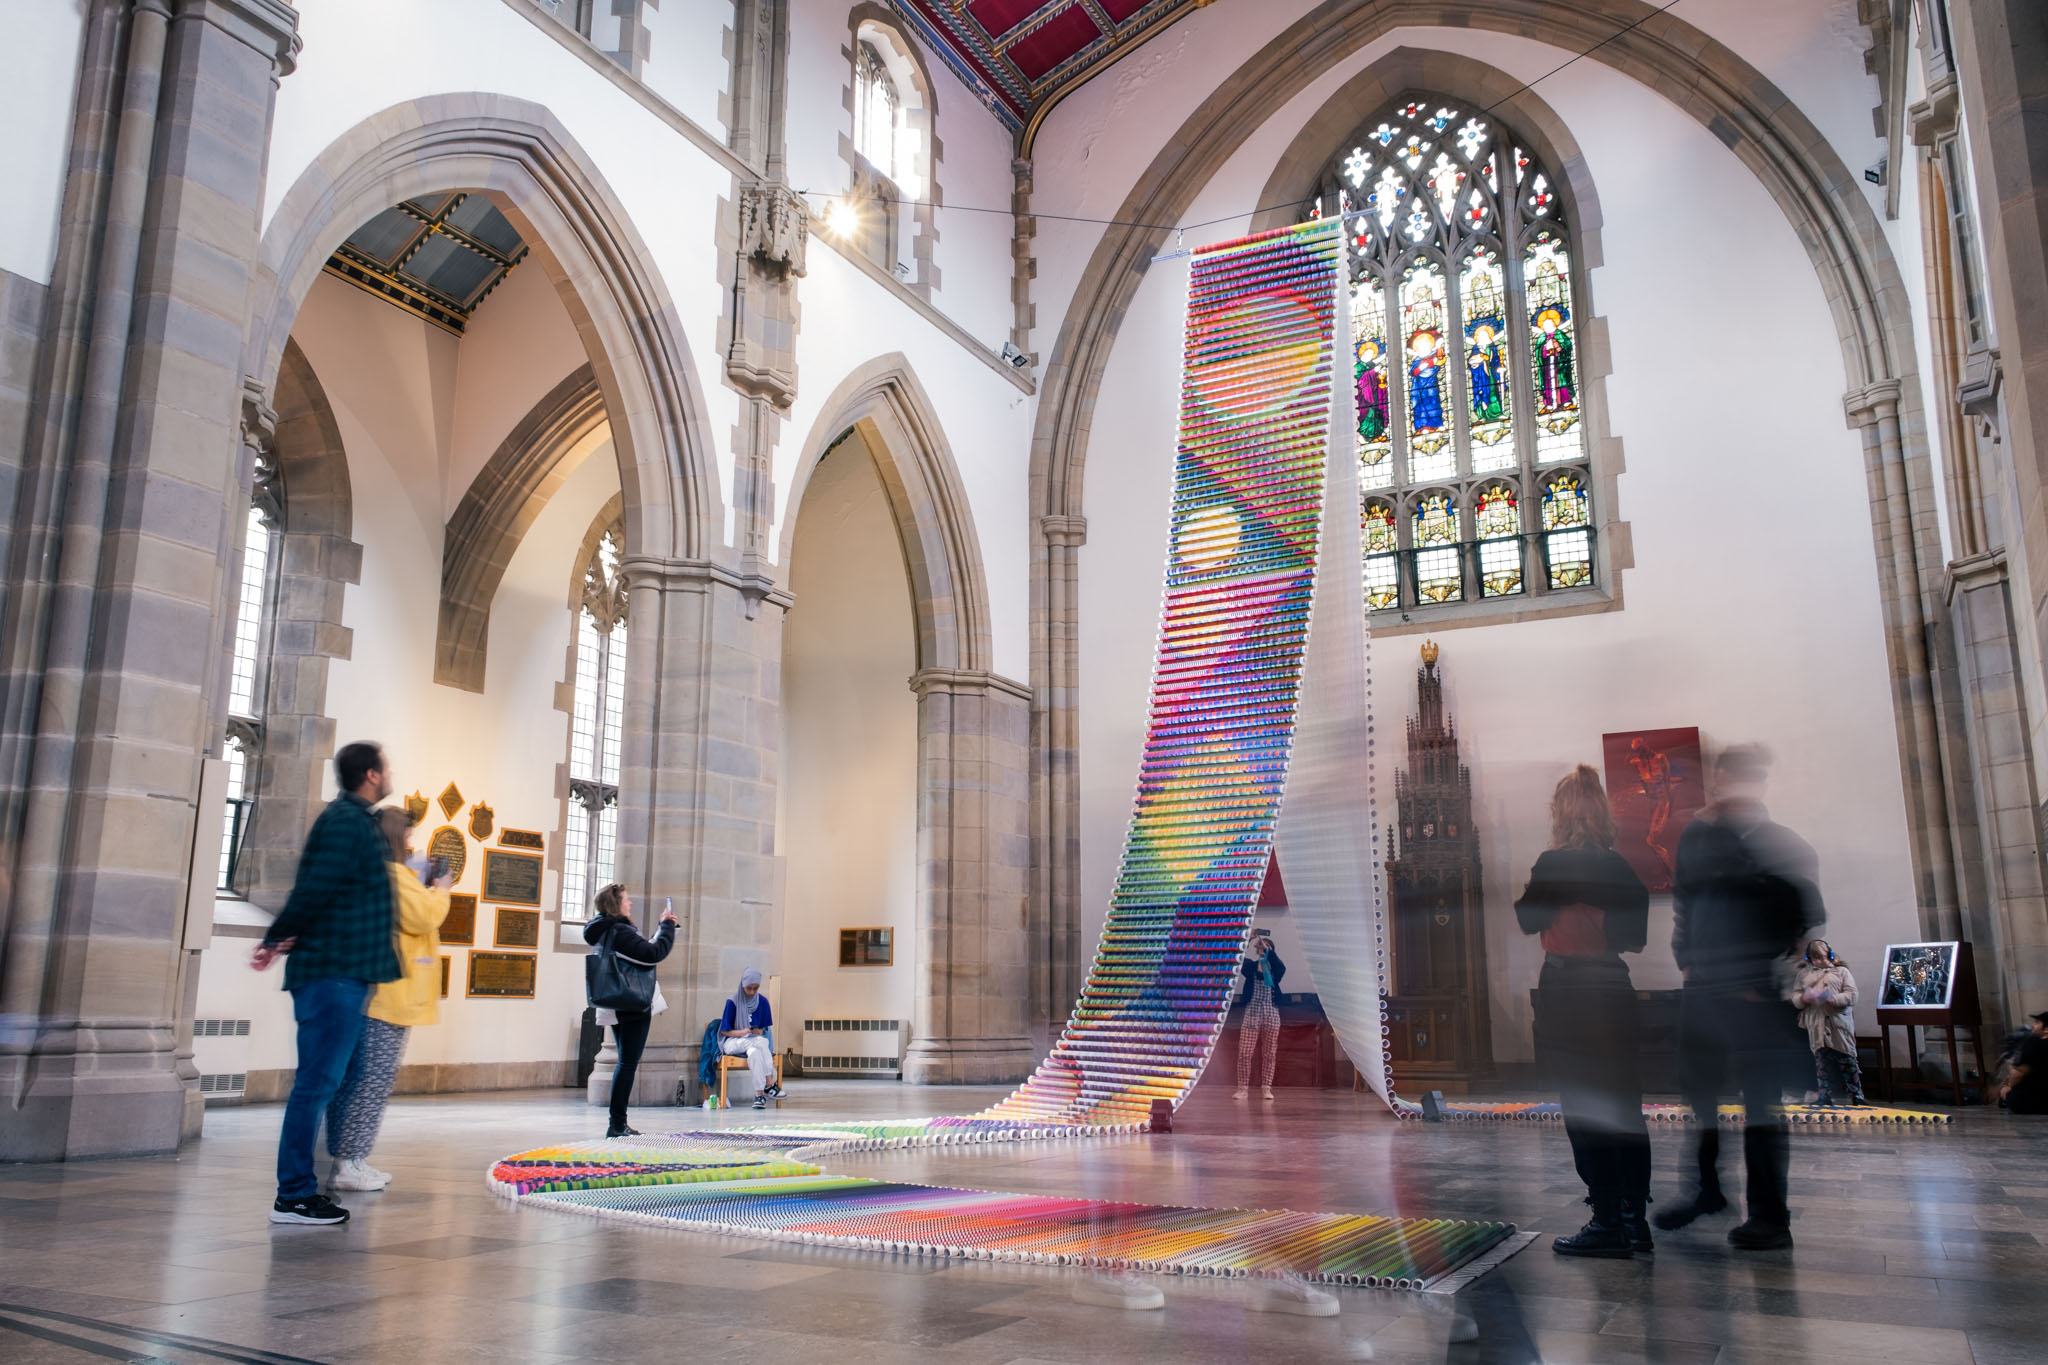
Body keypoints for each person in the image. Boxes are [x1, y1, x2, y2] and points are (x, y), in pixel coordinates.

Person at [1655, 745, 1821, 1251]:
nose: (1722, 790)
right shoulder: (1698, 838)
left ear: (1752, 783)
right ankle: (1706, 1190)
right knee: (1700, 1094)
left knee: (1762, 1106)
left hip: (1754, 995)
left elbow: (1800, 918)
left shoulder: (1780, 843)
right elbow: (1685, 902)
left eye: (1732, 780)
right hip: (1704, 987)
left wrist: (1758, 971)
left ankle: (1771, 1217)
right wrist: (1686, 960)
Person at [252, 741, 403, 1226]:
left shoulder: (358, 821)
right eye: (386, 767)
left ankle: (305, 1186)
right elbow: (315, 887)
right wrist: (276, 936)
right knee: (315, 1084)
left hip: (348, 970)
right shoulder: (344, 822)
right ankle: (293, 1194)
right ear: (372, 775)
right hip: (332, 971)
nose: (390, 772)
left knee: (332, 1080)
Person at [1513, 765, 1653, 1257]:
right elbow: (1635, 939)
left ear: (1561, 815)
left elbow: (1528, 920)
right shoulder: (1620, 866)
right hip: (1613, 987)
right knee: (1624, 1105)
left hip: (1569, 991)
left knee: (1583, 1106)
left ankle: (1607, 1220)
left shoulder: (1554, 861)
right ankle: (1637, 1220)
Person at [324, 808, 452, 1191]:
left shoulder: (376, 873)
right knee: (371, 1081)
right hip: (389, 997)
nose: (412, 843)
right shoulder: (392, 875)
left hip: (377, 993)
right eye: (408, 836)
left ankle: (349, 1158)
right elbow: (424, 917)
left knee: (361, 1080)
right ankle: (349, 1162)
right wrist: (441, 887)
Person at [583, 883, 674, 1137]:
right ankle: (617, 1124)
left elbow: (641, 952)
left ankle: (618, 1122)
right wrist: (666, 927)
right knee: (627, 1063)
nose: (630, 903)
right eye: (626, 899)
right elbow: (653, 953)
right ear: (615, 904)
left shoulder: (602, 930)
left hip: (616, 1002)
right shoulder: (619, 931)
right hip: (632, 1004)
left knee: (625, 1062)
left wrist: (660, 930)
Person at [1791, 939, 1864, 1106]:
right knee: (1822, 1063)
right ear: (1809, 959)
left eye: (1823, 957)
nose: (1820, 961)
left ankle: (1856, 1095)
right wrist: (1804, 998)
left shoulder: (1841, 972)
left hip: (1838, 1024)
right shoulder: (1804, 975)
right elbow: (1796, 997)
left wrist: (1834, 999)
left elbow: (1852, 994)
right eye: (1816, 958)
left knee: (1847, 1061)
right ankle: (1824, 1095)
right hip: (1817, 1024)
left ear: (1830, 955)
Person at [1233, 928, 1286, 1102]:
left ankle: (1266, 1088)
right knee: (1245, 1052)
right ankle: (1242, 1089)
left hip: (1271, 1012)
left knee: (1269, 1053)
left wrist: (1268, 951)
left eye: (1267, 948)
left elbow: (1280, 966)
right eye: (1262, 947)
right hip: (1252, 1012)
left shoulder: (1276, 970)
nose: (1263, 949)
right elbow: (1237, 956)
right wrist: (1248, 939)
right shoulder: (1250, 967)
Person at [721, 968, 783, 1109]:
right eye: (749, 988)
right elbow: (725, 1031)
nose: (752, 992)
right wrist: (742, 1032)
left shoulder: (763, 1002)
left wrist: (755, 1031)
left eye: (756, 988)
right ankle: (769, 1083)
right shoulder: (733, 1001)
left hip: (753, 1042)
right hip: (733, 1042)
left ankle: (759, 1095)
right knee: (762, 1042)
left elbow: (762, 1030)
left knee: (755, 1052)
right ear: (742, 985)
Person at [2000, 1012, 2048, 1115]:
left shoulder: (2033, 1042)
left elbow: (2018, 1074)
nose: (2033, 1025)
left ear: (2046, 1029)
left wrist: (2007, 1087)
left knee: (2006, 1093)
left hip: (2030, 1103)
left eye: (2037, 1022)